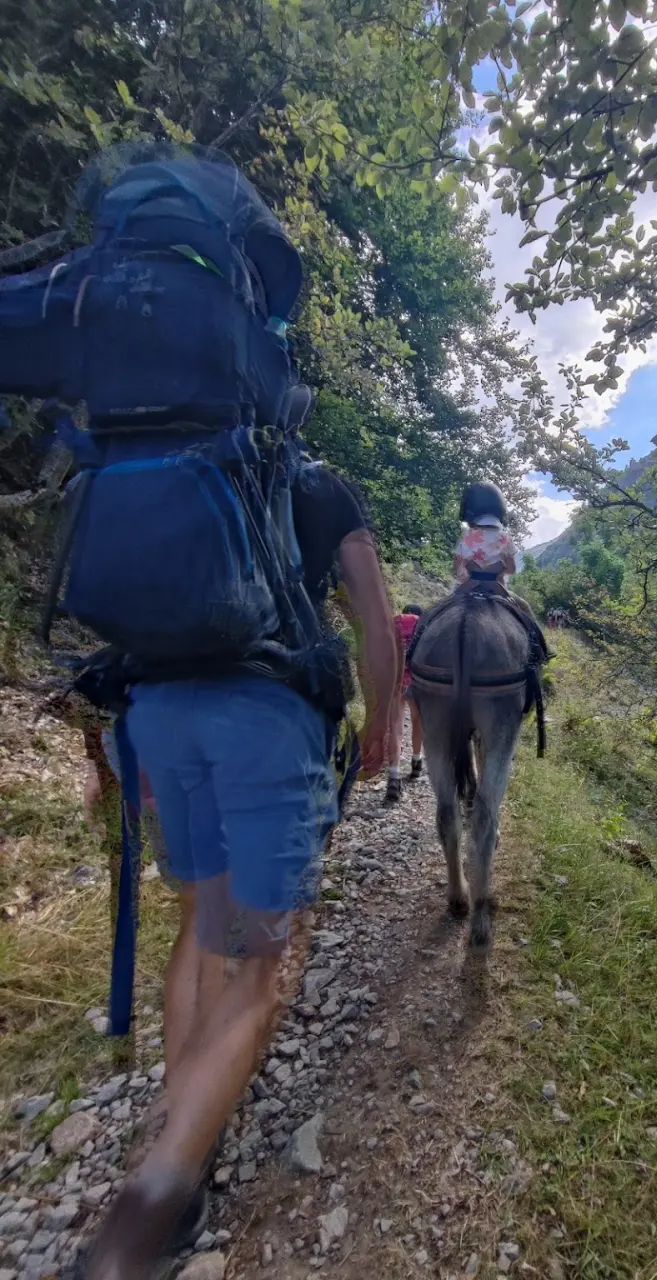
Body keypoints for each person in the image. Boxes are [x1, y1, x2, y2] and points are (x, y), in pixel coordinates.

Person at [79, 461, 397, 1280]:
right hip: (263, 715)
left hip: (157, 712)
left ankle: (181, 1135)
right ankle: (144, 1212)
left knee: (200, 923)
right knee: (261, 962)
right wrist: (384, 719)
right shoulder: (322, 485)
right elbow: (373, 616)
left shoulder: (167, 464)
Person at [454, 480, 535, 620]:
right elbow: (511, 569)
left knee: (437, 610)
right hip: (498, 589)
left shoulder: (467, 536)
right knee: (525, 609)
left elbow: (457, 570)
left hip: (468, 587)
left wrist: (470, 576)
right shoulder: (504, 538)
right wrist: (495, 571)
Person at [385, 603, 424, 803]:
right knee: (417, 722)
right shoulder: (424, 624)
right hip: (417, 682)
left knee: (396, 728)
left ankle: (393, 777)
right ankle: (416, 763)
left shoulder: (394, 621)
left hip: (395, 680)